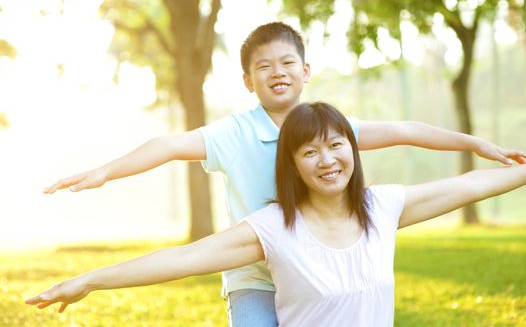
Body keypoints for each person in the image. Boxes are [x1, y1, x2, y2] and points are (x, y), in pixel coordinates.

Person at [42, 22, 526, 327]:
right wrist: (104, 174)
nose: (327, 158)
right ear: (248, 80)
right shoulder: (235, 135)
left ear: (306, 69)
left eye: (287, 62)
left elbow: (409, 133)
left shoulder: (336, 136)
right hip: (258, 269)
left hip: (324, 258)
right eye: (263, 66)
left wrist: (476, 144)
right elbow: (168, 151)